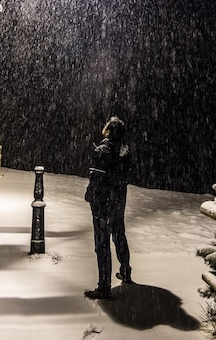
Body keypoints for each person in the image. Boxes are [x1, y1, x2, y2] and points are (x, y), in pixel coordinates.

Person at [84, 116, 133, 300]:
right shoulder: (125, 152)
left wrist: (90, 196)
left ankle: (104, 287)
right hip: (118, 204)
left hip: (102, 206)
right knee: (119, 236)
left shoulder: (102, 150)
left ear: (109, 131)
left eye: (106, 126)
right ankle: (126, 271)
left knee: (102, 245)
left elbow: (95, 180)